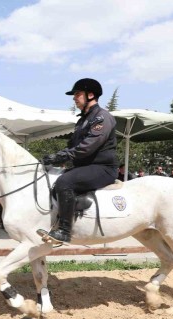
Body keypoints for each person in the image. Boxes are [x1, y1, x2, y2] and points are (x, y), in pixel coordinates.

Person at [41, 78, 117, 243]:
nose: (74, 98)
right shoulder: (83, 120)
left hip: (102, 167)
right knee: (53, 181)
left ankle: (65, 231)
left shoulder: (101, 117)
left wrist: (62, 156)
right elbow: (72, 146)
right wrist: (55, 157)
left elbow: (88, 146)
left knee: (64, 183)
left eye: (77, 94)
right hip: (85, 166)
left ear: (90, 95)